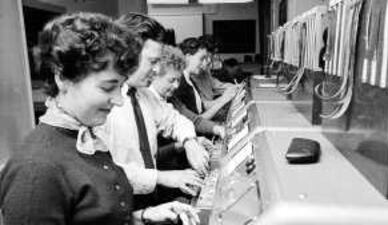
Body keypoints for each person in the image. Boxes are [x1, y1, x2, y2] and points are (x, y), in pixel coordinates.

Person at [0, 12, 199, 225]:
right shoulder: (35, 170)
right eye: (108, 87)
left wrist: (145, 216)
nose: (119, 101)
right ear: (64, 78)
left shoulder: (87, 136)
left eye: (120, 86)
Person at [103, 13, 209, 208]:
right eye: (152, 61)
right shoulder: (103, 105)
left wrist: (190, 143)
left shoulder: (143, 95)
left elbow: (175, 120)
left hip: (149, 201)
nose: (156, 69)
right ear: (127, 55)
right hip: (120, 205)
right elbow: (106, 172)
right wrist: (162, 177)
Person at [174, 37, 236, 121]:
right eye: (201, 59)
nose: (205, 63)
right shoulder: (181, 84)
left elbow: (202, 107)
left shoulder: (189, 80)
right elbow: (196, 122)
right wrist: (223, 100)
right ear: (188, 57)